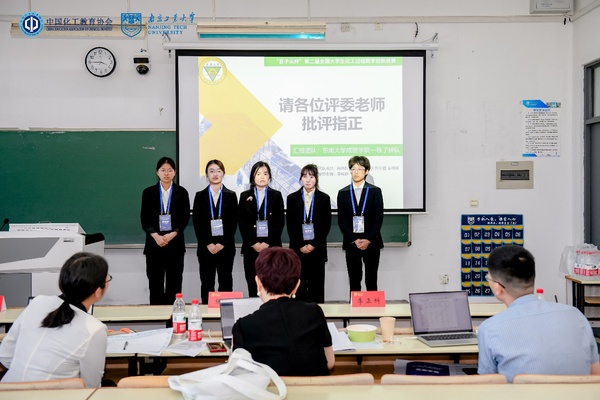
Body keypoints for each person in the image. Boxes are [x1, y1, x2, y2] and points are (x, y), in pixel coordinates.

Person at [477, 245, 600, 382]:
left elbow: (488, 385)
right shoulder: (576, 316)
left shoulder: (489, 329)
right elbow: (596, 375)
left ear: (498, 287)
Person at [0, 252, 110, 387]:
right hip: (52, 395)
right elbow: (91, 385)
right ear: (97, 292)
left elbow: (5, 355)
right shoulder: (95, 329)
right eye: (107, 279)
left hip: (7, 391)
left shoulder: (38, 302)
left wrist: (27, 376)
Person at [232, 247, 334, 376]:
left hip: (270, 388)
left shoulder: (244, 326)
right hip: (313, 388)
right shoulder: (314, 312)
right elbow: (330, 362)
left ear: (258, 283)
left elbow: (239, 372)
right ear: (297, 285)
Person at [141, 156, 190, 305]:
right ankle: (156, 318)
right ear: (157, 172)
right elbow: (145, 218)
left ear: (175, 172)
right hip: (154, 245)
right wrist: (156, 236)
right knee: (155, 285)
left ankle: (174, 318)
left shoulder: (182, 192)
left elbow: (184, 218)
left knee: (174, 286)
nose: (166, 173)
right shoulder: (148, 192)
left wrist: (171, 234)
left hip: (175, 245)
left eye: (170, 170)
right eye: (163, 170)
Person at [192, 159, 239, 304]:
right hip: (206, 248)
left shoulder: (231, 195)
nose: (215, 174)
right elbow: (197, 223)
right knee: (207, 283)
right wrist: (208, 243)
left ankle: (226, 314)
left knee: (225, 282)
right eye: (211, 171)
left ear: (223, 173)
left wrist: (221, 243)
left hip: (225, 248)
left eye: (218, 171)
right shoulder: (200, 196)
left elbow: (232, 222)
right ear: (207, 174)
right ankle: (207, 312)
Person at [336, 155, 384, 292]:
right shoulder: (343, 193)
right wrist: (354, 239)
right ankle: (354, 306)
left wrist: (368, 239)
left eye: (360, 169)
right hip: (352, 242)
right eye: (353, 169)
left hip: (372, 242)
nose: (356, 172)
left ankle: (372, 306)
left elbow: (378, 218)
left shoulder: (375, 191)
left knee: (371, 279)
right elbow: (342, 219)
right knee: (354, 280)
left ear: (366, 171)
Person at [286, 164, 332, 303]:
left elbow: (325, 225)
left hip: (317, 250)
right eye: (305, 176)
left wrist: (313, 244)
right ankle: (299, 316)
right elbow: (291, 225)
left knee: (316, 288)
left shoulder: (324, 198)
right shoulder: (292, 198)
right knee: (298, 288)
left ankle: (317, 315)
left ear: (316, 179)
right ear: (300, 178)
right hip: (298, 250)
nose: (308, 180)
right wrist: (300, 245)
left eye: (311, 176)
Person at [238, 161, 284, 297]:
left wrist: (267, 243)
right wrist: (253, 243)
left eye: (265, 173)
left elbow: (279, 223)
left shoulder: (276, 195)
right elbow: (242, 222)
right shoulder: (244, 196)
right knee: (253, 283)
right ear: (253, 177)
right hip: (251, 248)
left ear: (269, 176)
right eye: (258, 174)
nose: (262, 177)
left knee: (272, 283)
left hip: (271, 247)